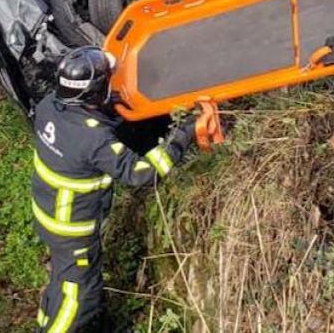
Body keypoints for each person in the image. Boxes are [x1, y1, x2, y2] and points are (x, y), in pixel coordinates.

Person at [31, 46, 207, 332]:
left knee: (63, 283)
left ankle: (47, 324)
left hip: (49, 215)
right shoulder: (94, 140)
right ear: (94, 94)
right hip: (72, 231)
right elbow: (141, 173)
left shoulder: (49, 106)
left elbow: (90, 123)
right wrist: (183, 135)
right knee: (80, 299)